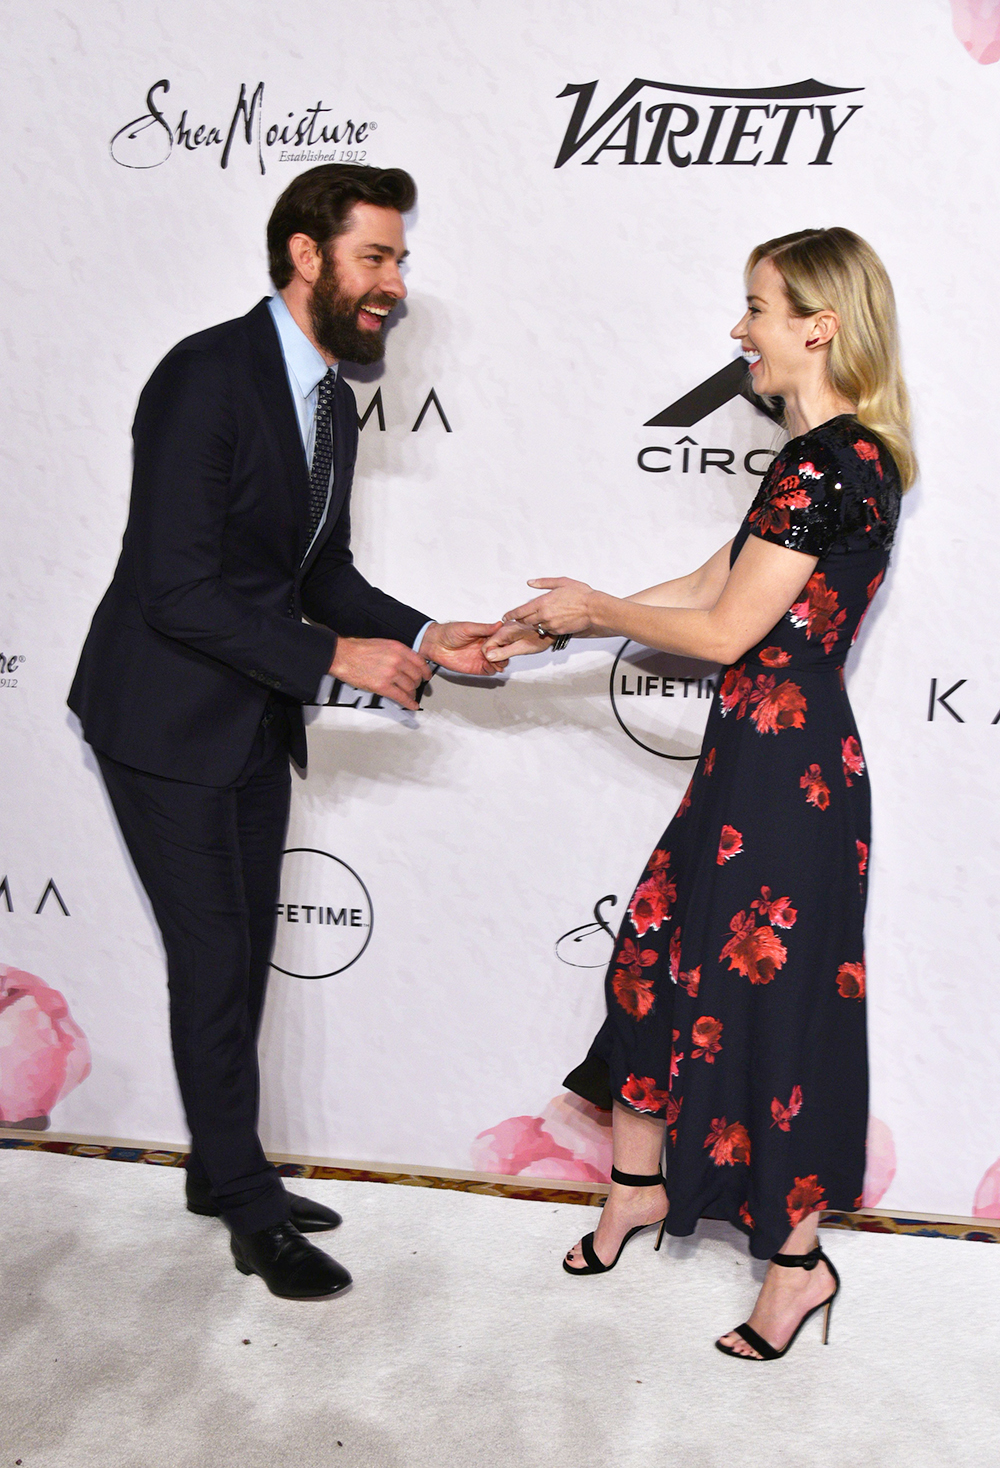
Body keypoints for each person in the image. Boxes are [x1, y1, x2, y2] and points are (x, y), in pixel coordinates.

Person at [69, 165, 503, 1301]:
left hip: (250, 713)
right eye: (376, 258)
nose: (396, 285)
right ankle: (246, 1205)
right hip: (161, 718)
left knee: (234, 960)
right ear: (307, 256)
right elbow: (174, 588)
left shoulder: (328, 397)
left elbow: (319, 571)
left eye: (401, 261)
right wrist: (329, 658)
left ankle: (223, 1171)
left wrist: (420, 632)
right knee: (214, 963)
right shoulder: (205, 377)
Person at [484, 228, 913, 1359]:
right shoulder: (815, 457)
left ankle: (796, 1265)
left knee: (778, 1010)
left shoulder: (836, 463)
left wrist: (597, 613)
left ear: (816, 325)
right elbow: (717, 581)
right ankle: (636, 1188)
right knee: (649, 958)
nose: (740, 331)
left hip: (791, 775)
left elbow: (726, 629)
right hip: (752, 757)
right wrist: (547, 623)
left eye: (757, 308)